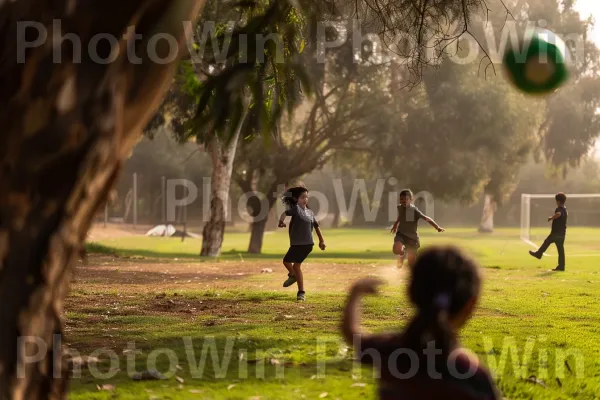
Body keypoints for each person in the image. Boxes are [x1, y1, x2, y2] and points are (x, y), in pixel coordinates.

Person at [341, 246, 500, 400]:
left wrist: (356, 292)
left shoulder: (388, 351)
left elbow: (352, 333)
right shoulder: (472, 375)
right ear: (470, 305)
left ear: (411, 293)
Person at [278, 186, 326, 301]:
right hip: (296, 244)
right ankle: (300, 290)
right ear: (296, 199)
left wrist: (321, 240)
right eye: (302, 197)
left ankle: (295, 279)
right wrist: (281, 222)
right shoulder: (296, 209)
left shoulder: (310, 213)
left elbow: (316, 227)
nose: (305, 199)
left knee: (288, 262)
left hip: (307, 244)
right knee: (294, 265)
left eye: (306, 197)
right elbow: (284, 214)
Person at [390, 189, 444, 268]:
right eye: (402, 199)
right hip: (401, 234)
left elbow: (426, 218)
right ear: (399, 199)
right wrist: (395, 224)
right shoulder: (400, 207)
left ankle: (410, 274)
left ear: (411, 200)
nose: (404, 201)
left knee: (411, 261)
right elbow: (401, 216)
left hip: (412, 237)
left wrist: (437, 227)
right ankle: (402, 253)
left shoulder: (414, 210)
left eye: (406, 199)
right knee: (396, 249)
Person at [528, 192, 567, 271]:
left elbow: (559, 214)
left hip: (556, 233)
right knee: (560, 249)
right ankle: (561, 266)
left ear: (558, 201)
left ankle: (539, 254)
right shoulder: (565, 209)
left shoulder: (559, 209)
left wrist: (551, 217)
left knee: (547, 242)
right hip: (562, 233)